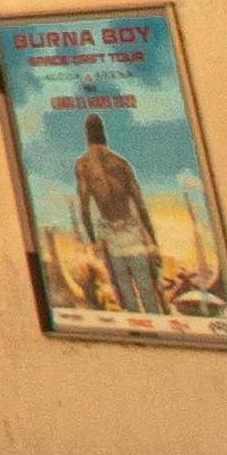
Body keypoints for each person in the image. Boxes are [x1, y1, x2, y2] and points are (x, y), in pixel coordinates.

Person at [71, 117, 168, 321]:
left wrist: (93, 239)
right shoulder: (121, 163)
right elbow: (141, 207)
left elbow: (84, 209)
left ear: (87, 136)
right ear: (104, 134)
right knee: (147, 289)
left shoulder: (83, 165)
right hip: (132, 232)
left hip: (110, 234)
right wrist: (153, 240)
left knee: (125, 294)